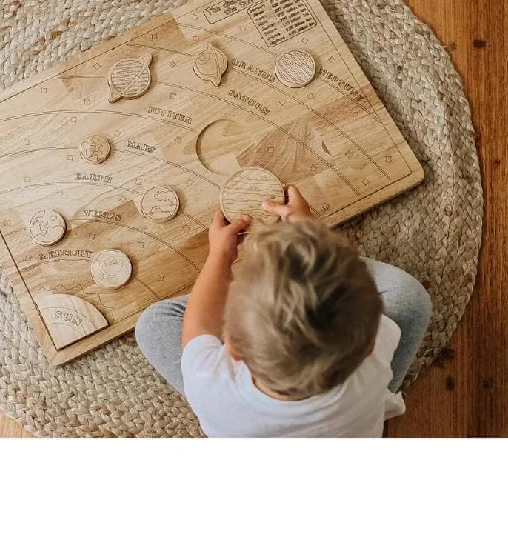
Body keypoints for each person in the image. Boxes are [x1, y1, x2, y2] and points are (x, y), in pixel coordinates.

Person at [134, 184, 432, 437]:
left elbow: (198, 328)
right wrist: (309, 235)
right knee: (410, 298)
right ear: (369, 345)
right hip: (350, 415)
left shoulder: (208, 384)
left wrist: (220, 256)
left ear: (233, 347)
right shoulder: (373, 365)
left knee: (152, 324)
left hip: (235, 416)